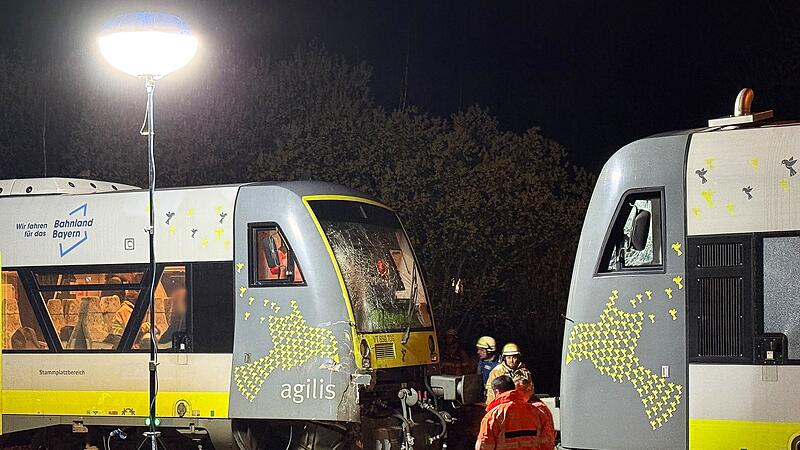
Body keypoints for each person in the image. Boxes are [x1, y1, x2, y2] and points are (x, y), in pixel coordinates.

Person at [475, 375, 547, 450]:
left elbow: (483, 446)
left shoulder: (493, 415)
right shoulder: (536, 412)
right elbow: (547, 441)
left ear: (497, 392)